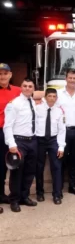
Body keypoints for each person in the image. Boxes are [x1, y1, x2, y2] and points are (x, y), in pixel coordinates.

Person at [3, 79, 38, 212]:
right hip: (19, 142)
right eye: (25, 86)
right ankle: (14, 200)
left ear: (33, 88)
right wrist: (11, 144)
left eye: (30, 86)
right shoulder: (14, 104)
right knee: (17, 172)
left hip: (32, 141)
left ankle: (24, 196)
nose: (28, 88)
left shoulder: (33, 102)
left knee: (30, 171)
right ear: (21, 88)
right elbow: (7, 126)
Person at [57, 68, 75, 196]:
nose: (72, 80)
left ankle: (72, 186)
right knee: (61, 160)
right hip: (63, 131)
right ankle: (58, 188)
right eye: (70, 78)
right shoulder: (58, 94)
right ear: (66, 79)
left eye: (74, 78)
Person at [35, 88, 66, 205]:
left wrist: (61, 147)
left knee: (57, 167)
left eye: (54, 96)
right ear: (45, 97)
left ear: (56, 98)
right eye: (50, 96)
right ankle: (39, 192)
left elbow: (62, 130)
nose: (52, 98)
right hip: (40, 140)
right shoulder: (37, 109)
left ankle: (57, 194)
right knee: (39, 167)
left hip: (53, 140)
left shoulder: (59, 111)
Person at [0, 63, 21, 208]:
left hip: (8, 133)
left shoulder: (17, 90)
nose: (2, 76)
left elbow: (34, 94)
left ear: (10, 75)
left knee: (5, 165)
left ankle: (1, 195)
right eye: (0, 73)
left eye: (5, 73)